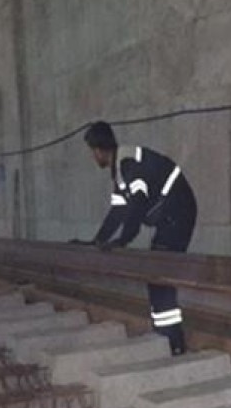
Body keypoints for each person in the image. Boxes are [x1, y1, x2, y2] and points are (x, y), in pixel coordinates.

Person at [79, 121, 197, 356]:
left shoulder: (128, 164)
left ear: (99, 150)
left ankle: (172, 342)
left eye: (93, 152)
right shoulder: (121, 169)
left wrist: (124, 239)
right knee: (158, 278)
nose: (93, 157)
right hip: (172, 216)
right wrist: (97, 240)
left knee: (159, 277)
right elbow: (118, 212)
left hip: (178, 213)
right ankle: (169, 339)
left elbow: (138, 204)